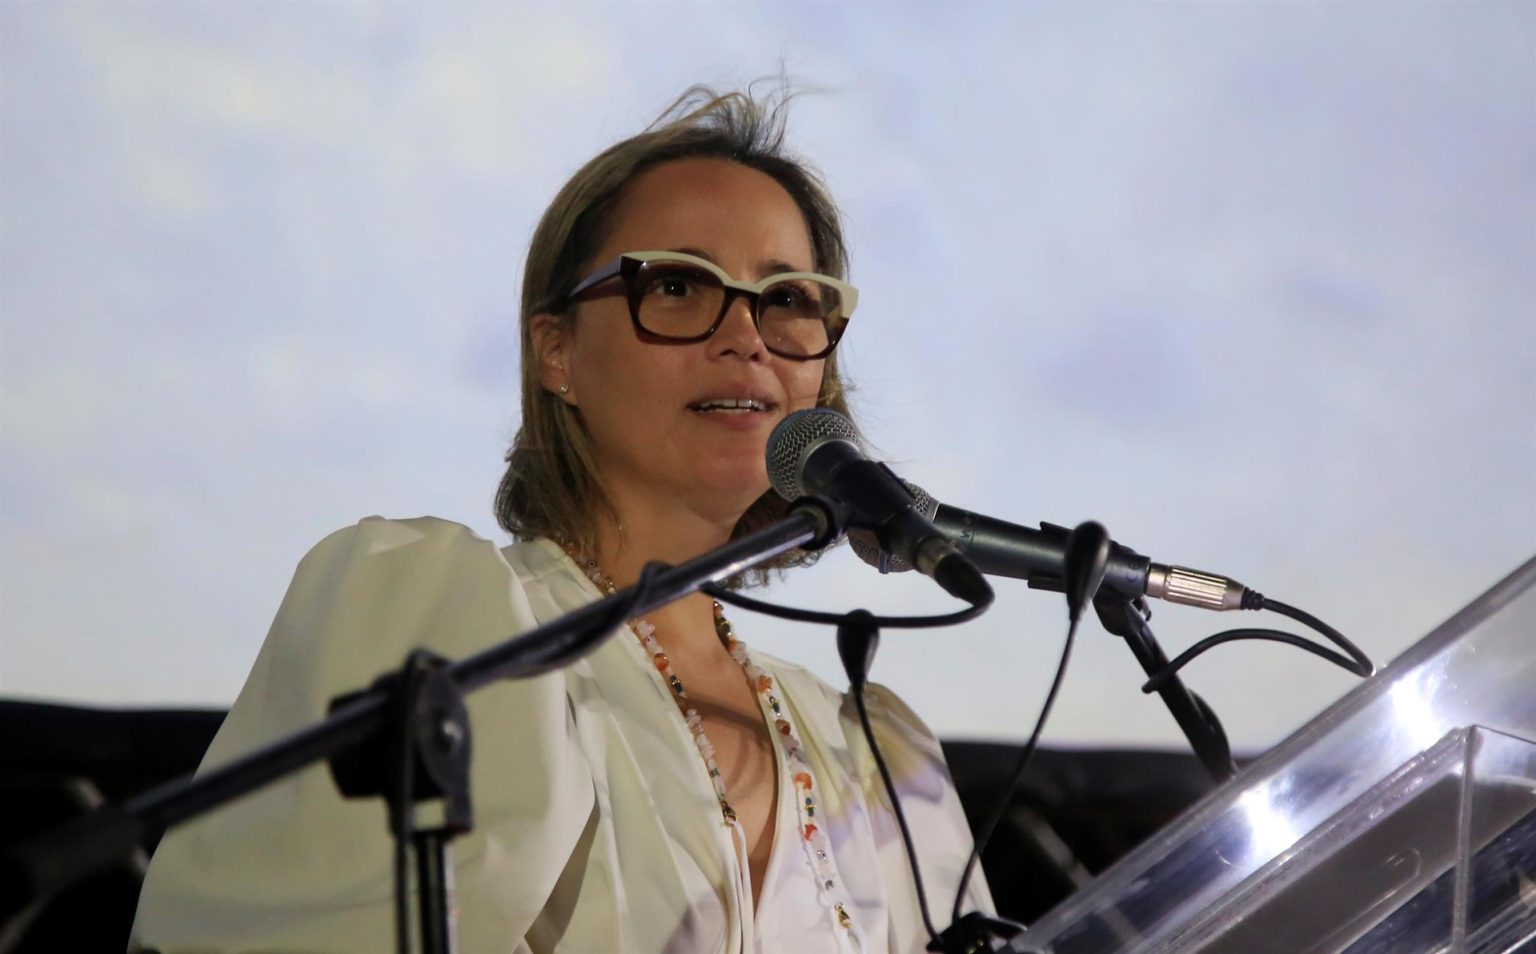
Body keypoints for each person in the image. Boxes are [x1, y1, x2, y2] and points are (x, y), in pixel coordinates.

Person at [132, 85, 991, 954]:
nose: (747, 335)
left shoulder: (870, 748)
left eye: (788, 298)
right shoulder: (444, 620)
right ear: (557, 352)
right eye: (680, 285)